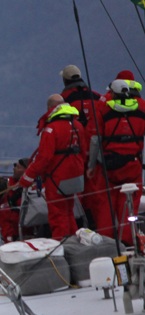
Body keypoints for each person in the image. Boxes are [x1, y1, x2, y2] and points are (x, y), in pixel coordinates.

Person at [19, 95, 88, 239]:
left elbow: (43, 158)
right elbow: (83, 152)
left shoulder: (51, 129)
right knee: (69, 211)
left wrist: (27, 178)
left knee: (58, 214)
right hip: (75, 175)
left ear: (50, 108)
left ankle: (61, 244)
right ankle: (74, 240)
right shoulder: (78, 125)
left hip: (57, 177)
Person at [57, 64, 112, 233]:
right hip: (98, 148)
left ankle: (83, 222)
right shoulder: (97, 96)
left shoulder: (63, 99)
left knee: (77, 186)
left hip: (76, 149)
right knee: (97, 186)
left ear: (65, 80)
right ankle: (98, 222)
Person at [91, 79, 145, 244]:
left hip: (109, 166)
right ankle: (128, 242)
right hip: (133, 165)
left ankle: (107, 243)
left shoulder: (103, 111)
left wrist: (91, 165)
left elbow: (95, 140)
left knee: (106, 207)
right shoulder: (141, 111)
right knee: (129, 205)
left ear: (112, 93)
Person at [0, 158, 29, 243]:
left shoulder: (32, 191)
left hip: (23, 232)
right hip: (8, 230)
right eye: (15, 165)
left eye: (18, 167)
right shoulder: (8, 185)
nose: (14, 168)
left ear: (26, 171)